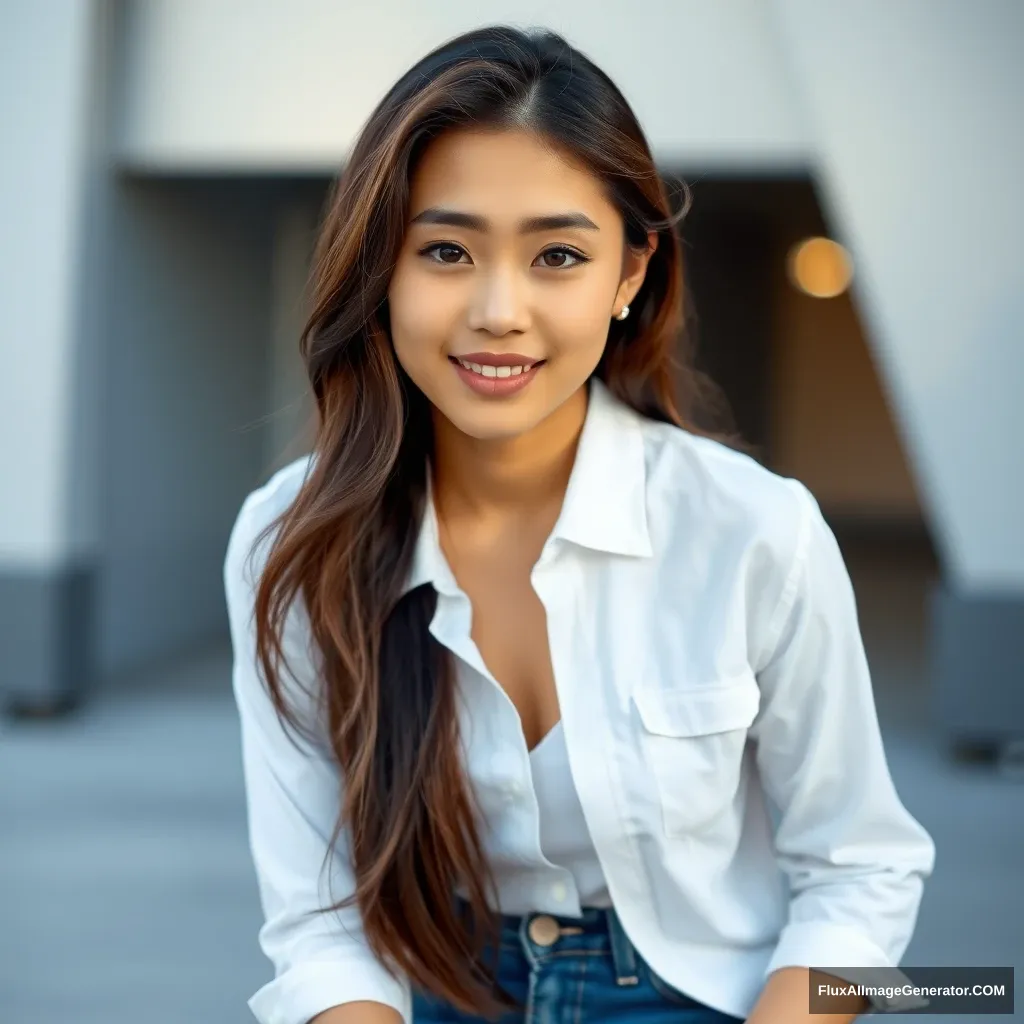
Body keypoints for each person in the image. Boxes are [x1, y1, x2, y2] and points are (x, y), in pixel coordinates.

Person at [223, 24, 935, 1024]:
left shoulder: (753, 532)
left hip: (710, 995)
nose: (499, 309)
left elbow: (859, 870)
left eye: (557, 253)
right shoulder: (290, 542)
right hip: (429, 985)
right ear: (382, 269)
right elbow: (320, 922)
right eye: (444, 250)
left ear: (630, 274)